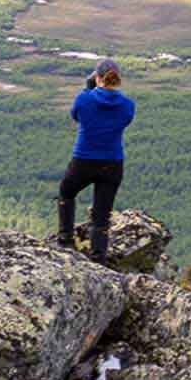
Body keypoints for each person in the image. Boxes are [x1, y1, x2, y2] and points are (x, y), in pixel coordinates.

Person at [57, 58, 136, 262]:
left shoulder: (84, 100)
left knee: (66, 191)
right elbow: (124, 120)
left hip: (84, 159)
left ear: (97, 78)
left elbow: (76, 116)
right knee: (102, 213)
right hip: (112, 163)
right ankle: (98, 257)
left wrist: (88, 90)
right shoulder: (127, 105)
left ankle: (65, 240)